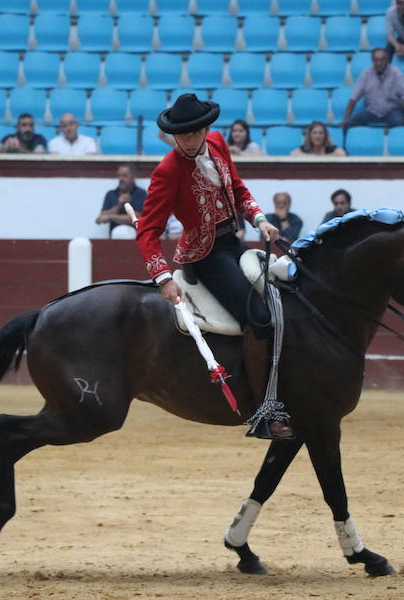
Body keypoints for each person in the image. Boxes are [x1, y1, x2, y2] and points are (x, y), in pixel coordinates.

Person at [134, 93, 292, 440]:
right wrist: (162, 277)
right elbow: (147, 230)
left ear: (206, 128)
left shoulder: (218, 143)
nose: (188, 140)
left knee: (288, 297)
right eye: (181, 134)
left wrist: (260, 220)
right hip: (204, 256)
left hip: (233, 244)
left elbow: (237, 189)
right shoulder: (167, 171)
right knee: (259, 319)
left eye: (194, 132)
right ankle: (263, 411)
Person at [341, 48, 404, 130]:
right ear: (372, 61)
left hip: (392, 110)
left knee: (398, 124)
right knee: (349, 124)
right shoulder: (366, 74)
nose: (379, 63)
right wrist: (346, 119)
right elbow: (353, 99)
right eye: (376, 60)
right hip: (372, 111)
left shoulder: (396, 73)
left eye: (382, 60)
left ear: (387, 60)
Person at [95, 165, 147, 235]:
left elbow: (138, 219)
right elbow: (100, 219)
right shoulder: (111, 194)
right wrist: (119, 205)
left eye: (124, 176)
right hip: (114, 241)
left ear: (133, 177)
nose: (121, 179)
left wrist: (111, 217)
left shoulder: (141, 194)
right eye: (119, 176)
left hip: (136, 240)